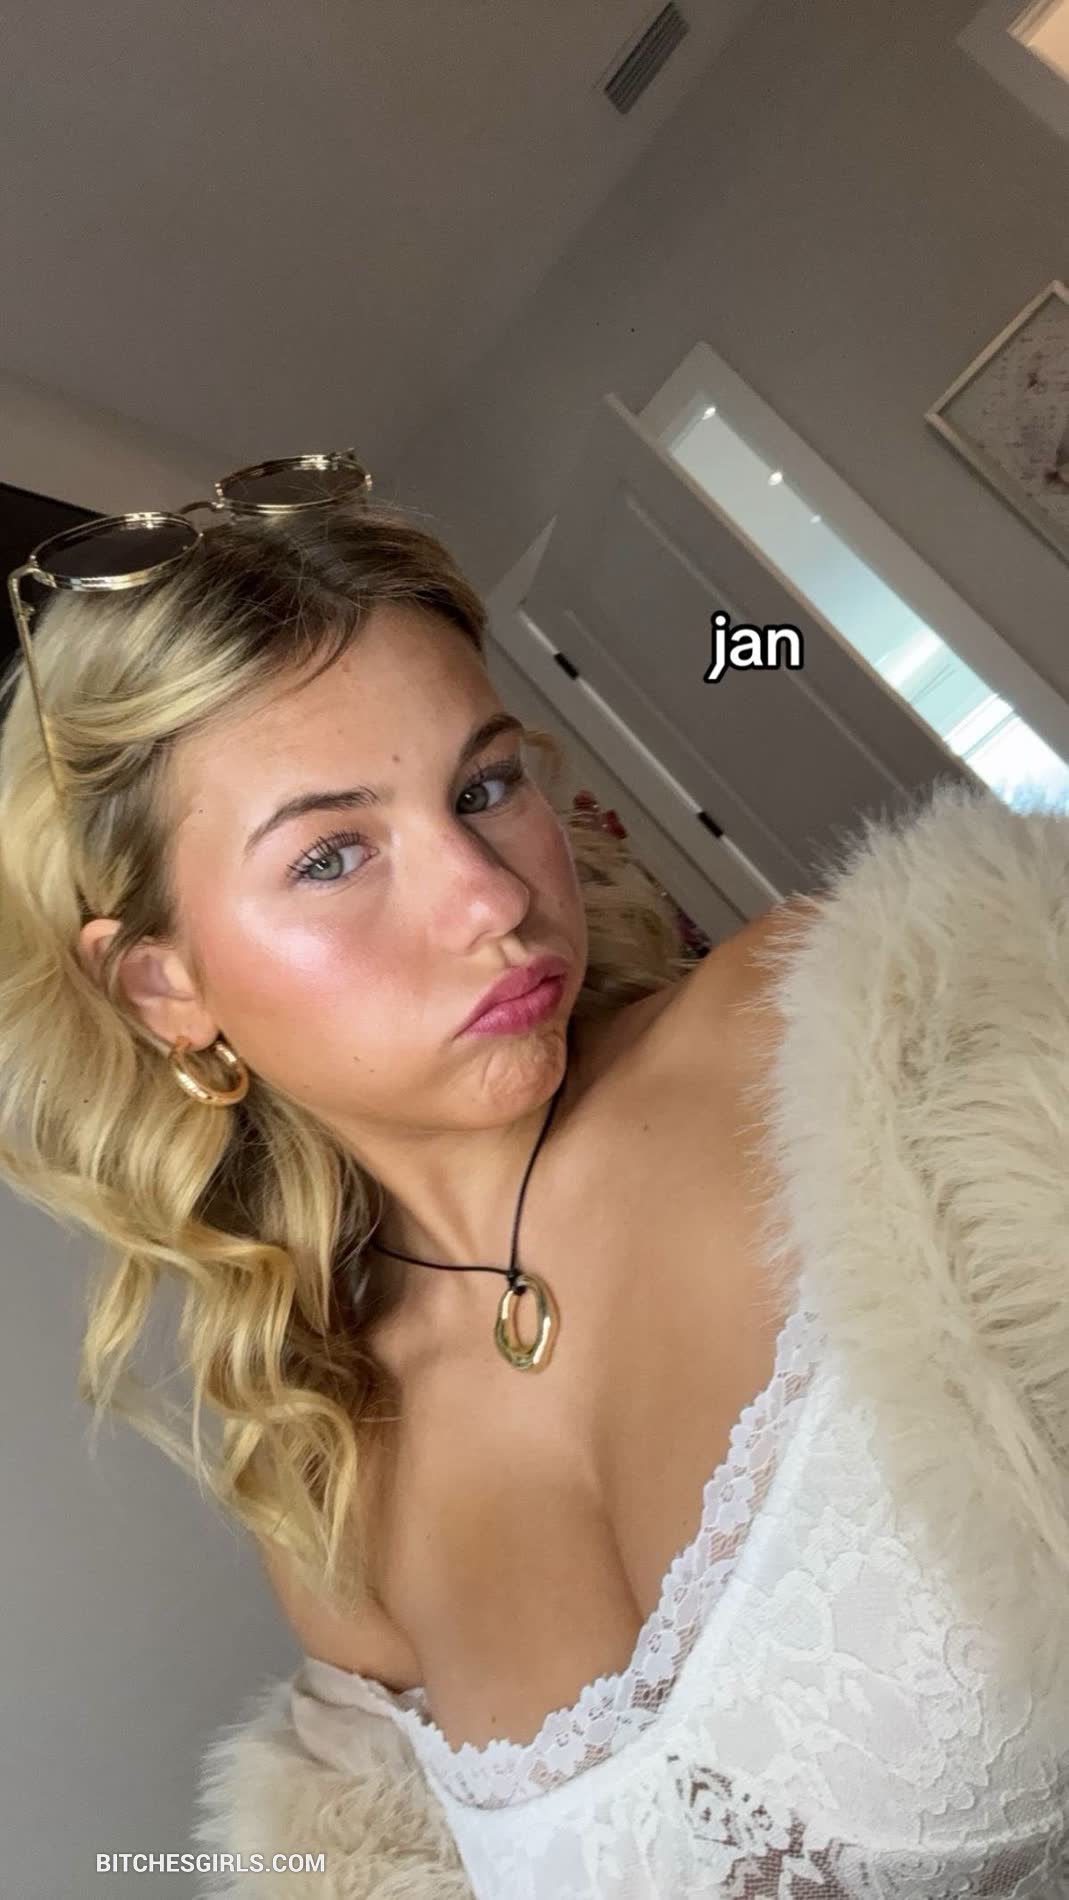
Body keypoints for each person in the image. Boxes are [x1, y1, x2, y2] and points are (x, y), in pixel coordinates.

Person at [3, 469, 1069, 1899]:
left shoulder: (884, 1031)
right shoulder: (326, 1496)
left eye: (485, 788)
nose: (492, 897)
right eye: (332, 855)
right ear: (163, 986)